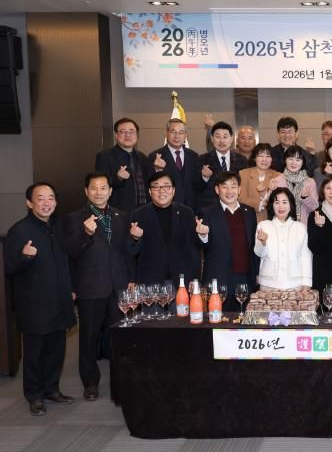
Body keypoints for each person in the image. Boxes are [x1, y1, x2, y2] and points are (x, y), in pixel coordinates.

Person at [4, 183, 76, 416]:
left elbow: (67, 262)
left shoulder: (59, 227)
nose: (47, 203)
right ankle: (34, 396)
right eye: (41, 198)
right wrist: (25, 257)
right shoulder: (19, 231)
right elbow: (9, 268)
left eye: (51, 198)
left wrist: (71, 289)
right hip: (34, 304)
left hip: (60, 300)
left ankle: (52, 389)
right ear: (29, 203)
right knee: (35, 354)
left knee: (56, 350)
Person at [63, 172, 131, 402]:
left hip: (118, 286)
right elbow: (70, 252)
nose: (99, 192)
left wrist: (130, 278)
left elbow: (126, 252)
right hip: (90, 286)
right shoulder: (74, 218)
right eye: (94, 188)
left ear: (110, 191)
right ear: (86, 191)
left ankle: (120, 381)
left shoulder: (121, 216)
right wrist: (86, 234)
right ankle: (90, 383)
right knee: (88, 339)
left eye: (103, 188)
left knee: (118, 338)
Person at [196, 172, 258, 311]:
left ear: (239, 189)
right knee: (219, 320)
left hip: (245, 279)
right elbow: (202, 245)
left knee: (244, 320)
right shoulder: (207, 212)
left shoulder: (249, 212)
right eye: (225, 187)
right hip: (219, 279)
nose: (229, 191)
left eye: (233, 186)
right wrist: (203, 235)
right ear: (217, 190)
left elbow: (253, 247)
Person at [129, 171, 201, 286]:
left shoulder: (186, 213)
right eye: (156, 187)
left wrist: (195, 278)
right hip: (150, 280)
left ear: (173, 190)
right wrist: (135, 239)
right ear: (150, 191)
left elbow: (193, 249)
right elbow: (130, 251)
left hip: (181, 279)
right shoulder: (139, 214)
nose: (161, 191)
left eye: (166, 186)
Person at [254, 187, 312, 289]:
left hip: (295, 284)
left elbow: (306, 256)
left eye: (285, 202)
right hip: (269, 284)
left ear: (291, 205)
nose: (281, 206)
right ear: (272, 205)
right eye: (277, 202)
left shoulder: (300, 227)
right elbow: (259, 253)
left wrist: (306, 283)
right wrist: (263, 242)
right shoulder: (263, 225)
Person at [95, 117, 149, 212]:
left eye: (132, 131)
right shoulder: (104, 156)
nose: (128, 135)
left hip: (142, 211)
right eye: (123, 131)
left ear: (137, 135)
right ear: (116, 135)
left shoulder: (142, 157)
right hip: (118, 212)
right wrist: (118, 178)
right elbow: (100, 186)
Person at [148, 118, 200, 210]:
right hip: (165, 209)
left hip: (191, 210)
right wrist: (157, 170)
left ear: (186, 135)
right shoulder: (154, 156)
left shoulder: (194, 156)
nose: (177, 136)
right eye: (173, 132)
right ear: (166, 133)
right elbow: (149, 185)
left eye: (181, 132)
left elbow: (197, 185)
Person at [196, 121, 250, 209]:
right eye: (218, 137)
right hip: (211, 208)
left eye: (225, 137)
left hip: (236, 208)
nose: (221, 141)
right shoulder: (202, 159)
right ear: (212, 139)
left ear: (231, 139)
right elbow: (196, 187)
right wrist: (204, 177)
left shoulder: (242, 160)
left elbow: (245, 186)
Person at [270, 145, 319, 222]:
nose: (294, 163)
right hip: (280, 224)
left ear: (303, 162)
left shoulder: (310, 182)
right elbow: (270, 206)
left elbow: (314, 208)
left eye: (298, 160)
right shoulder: (276, 181)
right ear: (285, 160)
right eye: (290, 159)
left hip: (302, 224)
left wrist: (306, 198)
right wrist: (269, 192)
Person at [238, 143, 281, 223]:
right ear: (254, 158)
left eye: (268, 156)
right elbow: (241, 198)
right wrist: (259, 204)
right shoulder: (243, 174)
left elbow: (280, 200)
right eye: (260, 156)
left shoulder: (278, 176)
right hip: (249, 219)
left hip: (272, 220)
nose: (264, 160)